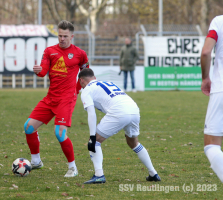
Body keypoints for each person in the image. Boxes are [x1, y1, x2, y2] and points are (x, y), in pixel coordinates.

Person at [24, 20, 89, 177]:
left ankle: (73, 168)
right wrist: (38, 71)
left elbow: (86, 74)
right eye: (60, 35)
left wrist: (79, 90)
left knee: (59, 133)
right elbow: (43, 71)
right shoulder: (49, 51)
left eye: (65, 36)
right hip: (51, 97)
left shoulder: (80, 54)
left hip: (66, 98)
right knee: (29, 127)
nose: (62, 39)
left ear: (71, 36)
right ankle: (36, 161)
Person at [78, 68, 160, 184]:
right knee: (133, 142)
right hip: (134, 109)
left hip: (119, 111)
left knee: (95, 142)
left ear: (81, 80)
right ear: (94, 78)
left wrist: (92, 136)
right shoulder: (108, 82)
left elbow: (91, 114)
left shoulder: (87, 90)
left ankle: (99, 175)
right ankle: (153, 173)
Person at [201, 15, 223, 185]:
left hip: (222, 87)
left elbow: (206, 52)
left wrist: (205, 78)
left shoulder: (219, 21)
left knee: (211, 145)